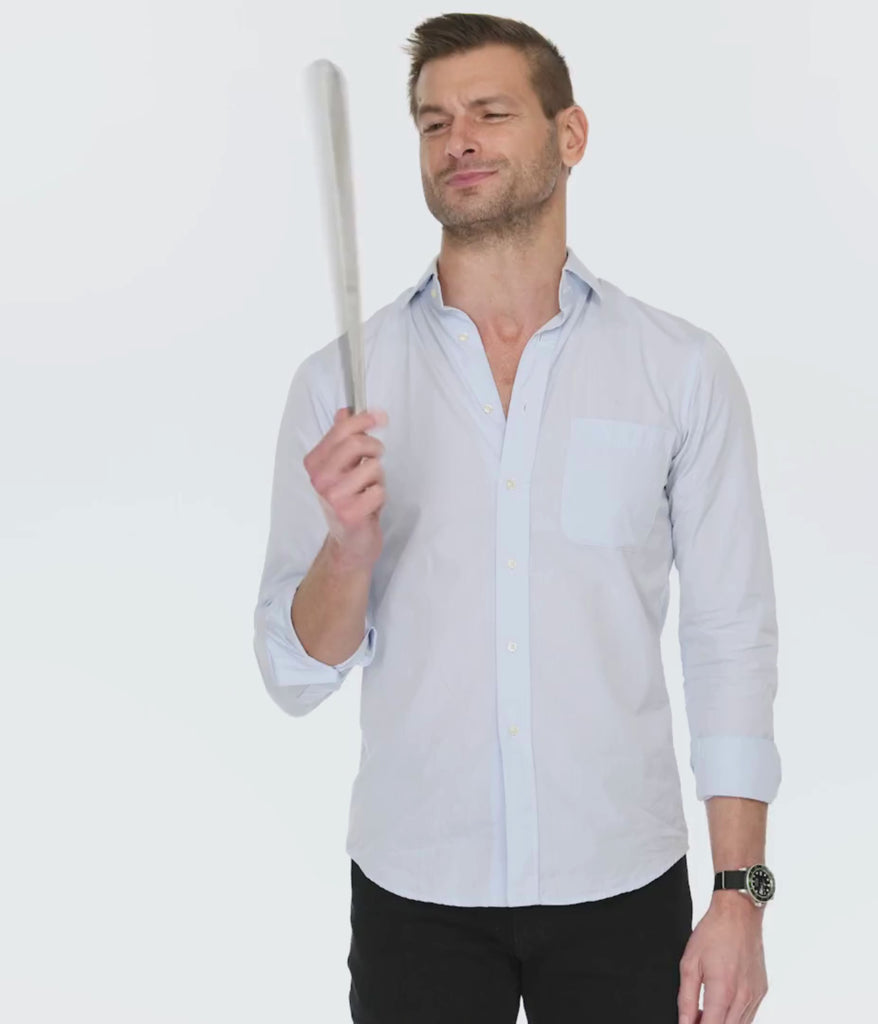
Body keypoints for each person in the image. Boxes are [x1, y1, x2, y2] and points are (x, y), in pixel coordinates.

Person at [253, 12, 781, 1024]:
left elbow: (730, 639)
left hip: (621, 883)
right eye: (433, 121)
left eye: (490, 113)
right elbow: (295, 670)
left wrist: (738, 893)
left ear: (568, 134)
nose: (458, 140)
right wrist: (346, 552)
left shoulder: (677, 371)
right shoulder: (342, 385)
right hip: (415, 890)